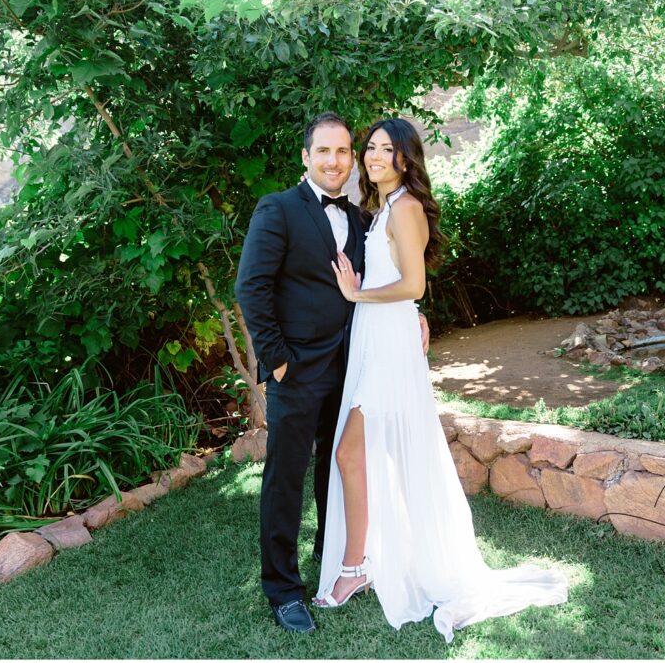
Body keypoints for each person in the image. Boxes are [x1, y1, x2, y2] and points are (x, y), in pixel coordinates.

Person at [313, 118, 569, 642]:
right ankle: (365, 560)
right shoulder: (381, 206)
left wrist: (359, 295)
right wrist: (374, 297)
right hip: (376, 335)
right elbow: (402, 285)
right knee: (361, 453)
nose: (373, 156)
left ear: (406, 160)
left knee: (350, 453)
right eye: (371, 149)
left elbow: (412, 284)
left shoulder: (404, 208)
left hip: (387, 341)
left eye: (386, 150)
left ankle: (356, 564)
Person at [235, 112, 429, 634]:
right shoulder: (277, 209)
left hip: (354, 366)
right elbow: (251, 289)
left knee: (336, 472)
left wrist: (417, 314)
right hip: (296, 372)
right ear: (306, 157)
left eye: (344, 151)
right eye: (324, 151)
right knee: (284, 479)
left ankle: (332, 559)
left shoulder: (366, 217)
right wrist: (277, 360)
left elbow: (391, 277)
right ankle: (282, 590)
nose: (335, 161)